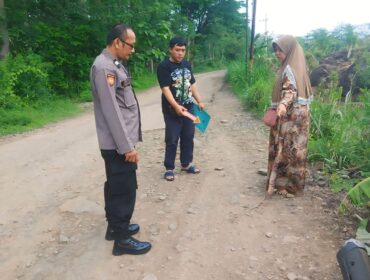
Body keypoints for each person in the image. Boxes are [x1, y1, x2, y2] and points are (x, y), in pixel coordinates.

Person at [90, 23, 151, 255]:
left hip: (119, 142)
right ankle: (122, 240)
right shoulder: (104, 68)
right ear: (117, 42)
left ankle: (115, 229)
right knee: (124, 190)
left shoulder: (113, 65)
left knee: (117, 187)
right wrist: (127, 147)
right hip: (118, 145)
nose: (132, 50)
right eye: (130, 45)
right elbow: (112, 111)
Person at [266, 35, 313, 198]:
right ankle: (294, 184)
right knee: (297, 150)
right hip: (301, 118)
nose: (277, 53)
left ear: (290, 51)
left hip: (290, 117)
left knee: (285, 148)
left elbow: (290, 91)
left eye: (281, 50)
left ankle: (281, 184)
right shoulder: (300, 69)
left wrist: (283, 104)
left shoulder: (288, 69)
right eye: (276, 50)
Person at [156, 36, 204, 181]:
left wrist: (199, 101)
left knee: (188, 136)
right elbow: (165, 89)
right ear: (170, 50)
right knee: (172, 138)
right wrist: (176, 106)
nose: (180, 53)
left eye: (183, 50)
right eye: (177, 50)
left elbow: (192, 84)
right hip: (172, 110)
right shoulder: (164, 67)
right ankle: (169, 168)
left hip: (189, 107)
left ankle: (186, 164)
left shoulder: (187, 65)